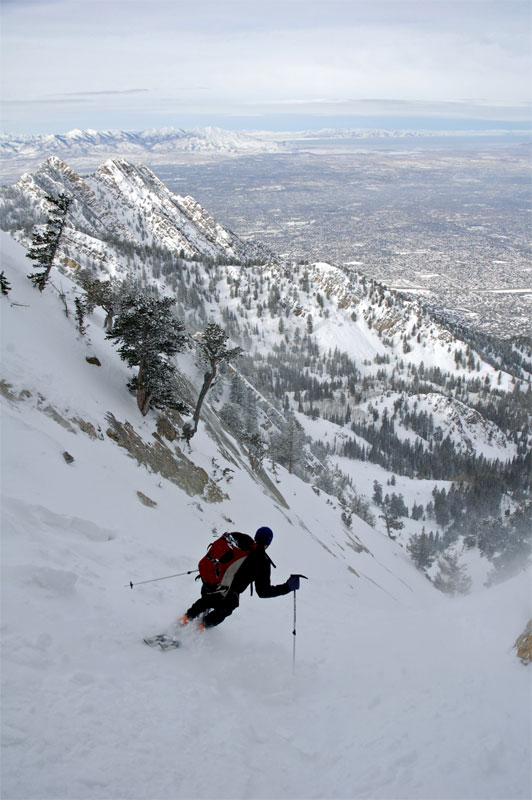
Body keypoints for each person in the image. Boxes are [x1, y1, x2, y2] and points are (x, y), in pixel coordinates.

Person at [182, 526, 302, 629]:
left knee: (206, 601)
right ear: (267, 544)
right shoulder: (262, 561)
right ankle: (197, 631)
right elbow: (263, 592)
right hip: (227, 595)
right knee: (226, 607)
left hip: (210, 583)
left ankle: (184, 620)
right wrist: (287, 587)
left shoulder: (241, 543)